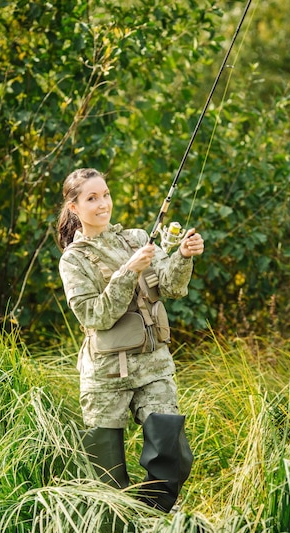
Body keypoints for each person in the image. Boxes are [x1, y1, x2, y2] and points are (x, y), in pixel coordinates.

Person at [57, 167, 204, 513]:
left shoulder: (136, 238)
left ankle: (150, 521)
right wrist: (127, 272)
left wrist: (183, 256)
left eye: (105, 194)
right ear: (75, 208)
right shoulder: (73, 260)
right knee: (107, 480)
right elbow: (95, 315)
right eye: (91, 198)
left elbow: (170, 286)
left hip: (154, 367)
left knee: (173, 457)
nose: (103, 203)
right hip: (105, 378)